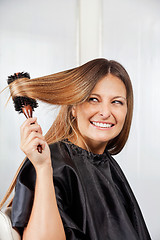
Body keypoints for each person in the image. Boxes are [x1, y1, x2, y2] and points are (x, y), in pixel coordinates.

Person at [7, 58, 151, 239]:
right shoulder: (52, 163)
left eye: (116, 102)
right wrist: (44, 168)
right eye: (93, 99)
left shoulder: (105, 163)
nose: (105, 112)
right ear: (73, 107)